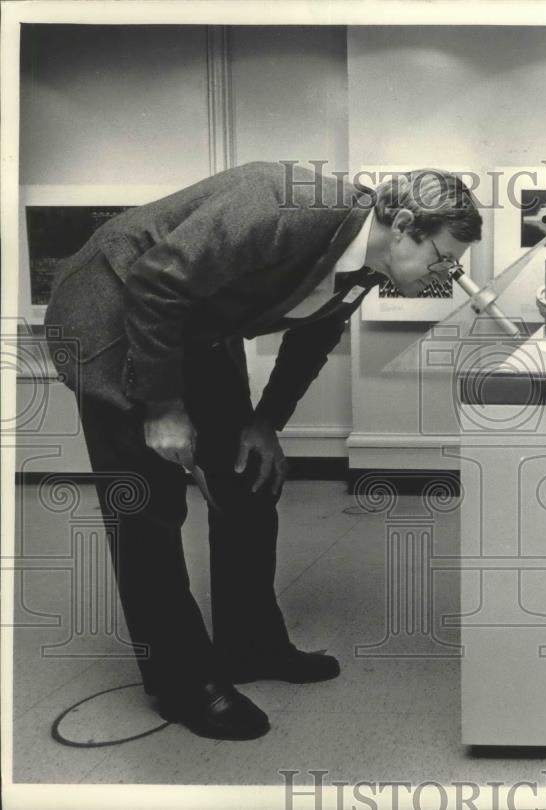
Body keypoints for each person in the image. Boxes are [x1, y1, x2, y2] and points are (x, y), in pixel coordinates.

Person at [44, 163, 481, 740]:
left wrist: (265, 423)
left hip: (192, 327)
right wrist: (165, 406)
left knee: (249, 478)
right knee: (146, 508)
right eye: (443, 257)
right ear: (403, 225)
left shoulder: (370, 263)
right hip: (117, 313)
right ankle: (183, 683)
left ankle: (250, 645)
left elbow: (315, 335)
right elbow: (156, 280)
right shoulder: (284, 204)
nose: (444, 271)